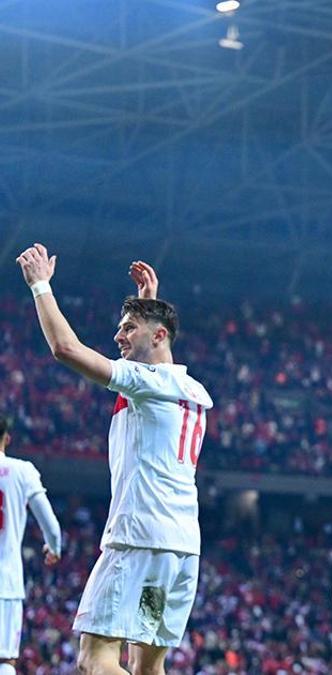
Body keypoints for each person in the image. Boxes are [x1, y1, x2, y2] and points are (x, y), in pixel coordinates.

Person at [15, 248, 212, 675]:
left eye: (128, 328)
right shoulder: (193, 390)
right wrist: (145, 303)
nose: (118, 336)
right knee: (146, 667)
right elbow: (150, 352)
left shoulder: (148, 383)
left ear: (159, 336)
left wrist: (40, 285)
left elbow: (65, 348)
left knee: (95, 658)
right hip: (179, 549)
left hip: (138, 540)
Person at [0, 418, 63, 675]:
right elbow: (51, 526)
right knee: (5, 661)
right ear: (7, 438)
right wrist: (54, 547)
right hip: (5, 581)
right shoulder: (22, 471)